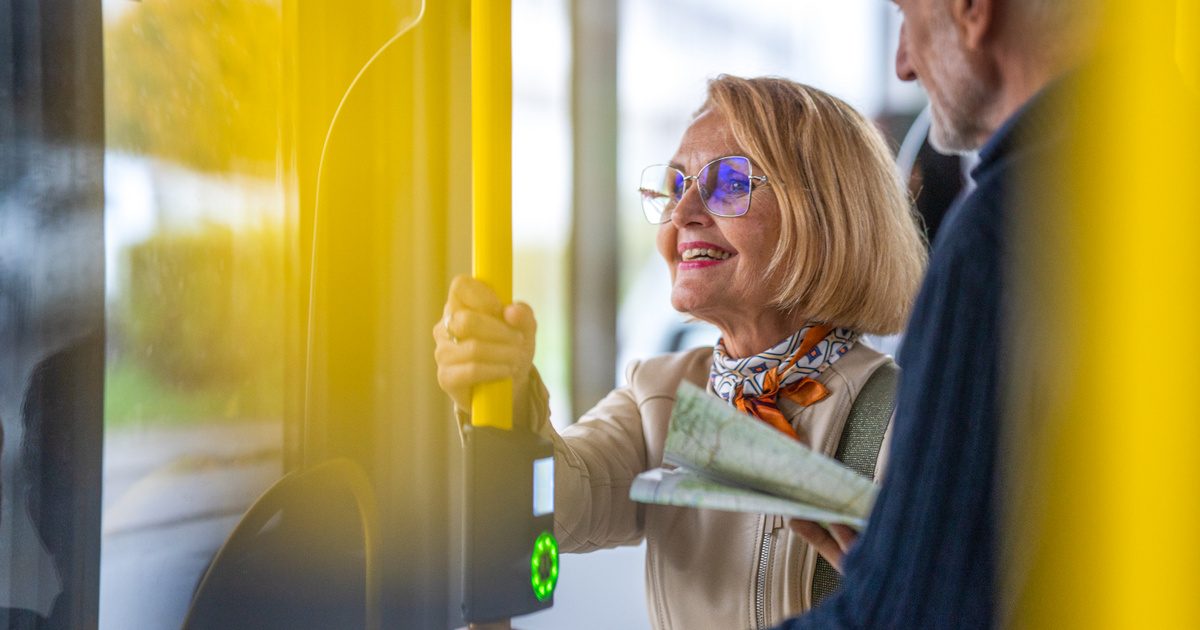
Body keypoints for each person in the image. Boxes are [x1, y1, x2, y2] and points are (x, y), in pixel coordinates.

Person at [434, 75, 926, 629]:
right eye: (674, 186)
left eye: (729, 182)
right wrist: (508, 397)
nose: (684, 209)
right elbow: (558, 507)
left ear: (825, 210)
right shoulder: (661, 395)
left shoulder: (906, 417)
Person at [779, 1, 1100, 627]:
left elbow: (911, 619)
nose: (902, 64)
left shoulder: (1003, 237)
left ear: (973, 12)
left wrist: (900, 576)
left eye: (906, 14)